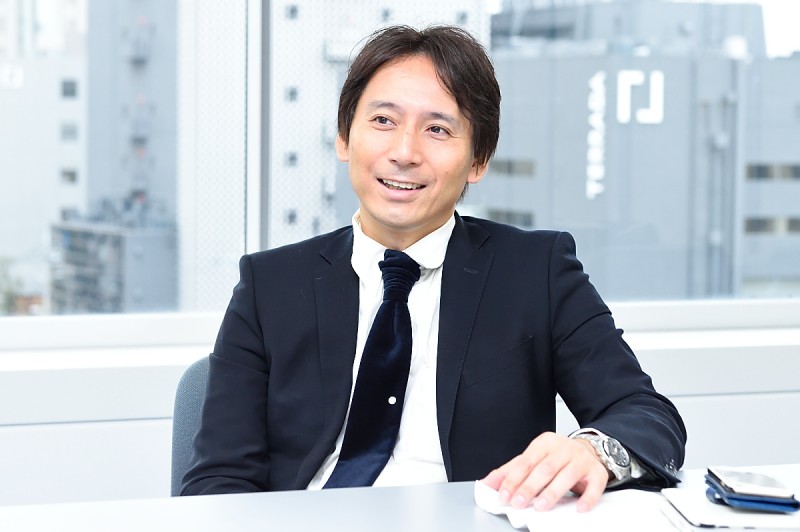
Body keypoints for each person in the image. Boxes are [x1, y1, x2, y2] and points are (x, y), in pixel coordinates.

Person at [181, 24, 686, 513]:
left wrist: (594, 451)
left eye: (438, 129)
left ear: (478, 161)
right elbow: (218, 482)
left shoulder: (537, 272)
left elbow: (647, 416)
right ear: (344, 138)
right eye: (383, 121)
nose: (404, 153)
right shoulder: (269, 285)